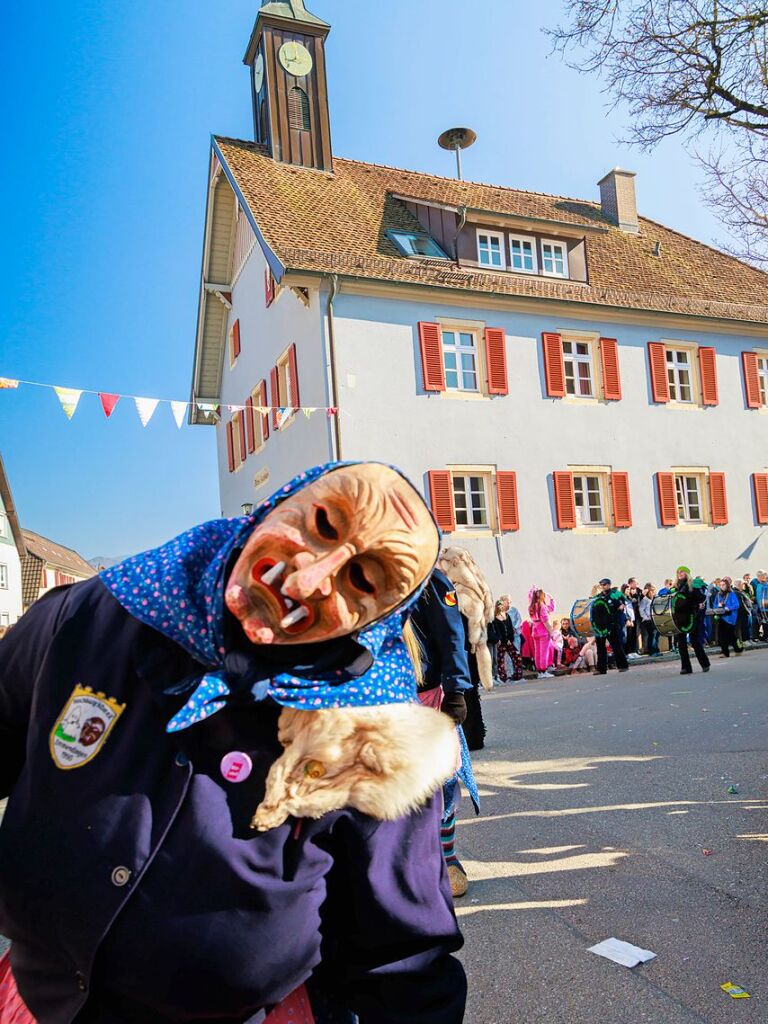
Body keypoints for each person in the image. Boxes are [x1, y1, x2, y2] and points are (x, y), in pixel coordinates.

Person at [0, 462, 467, 1024]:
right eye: (321, 523)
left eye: (363, 581)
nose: (306, 580)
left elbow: (404, 961)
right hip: (39, 999)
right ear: (278, 502)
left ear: (378, 619)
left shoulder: (380, 740)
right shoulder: (90, 614)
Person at [408, 569, 479, 901]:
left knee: (441, 781)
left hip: (427, 697)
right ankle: (409, 861)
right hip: (384, 700)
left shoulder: (429, 580)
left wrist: (456, 690)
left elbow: (452, 635)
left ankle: (447, 857)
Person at [436, 547, 494, 751]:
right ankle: (476, 735)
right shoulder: (479, 587)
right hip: (475, 647)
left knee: (464, 693)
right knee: (471, 694)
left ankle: (471, 737)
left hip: (464, 648)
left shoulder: (458, 593)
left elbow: (454, 623)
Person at [670, 566, 711, 675]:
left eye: (682, 571)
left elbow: (702, 598)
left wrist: (699, 604)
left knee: (694, 641)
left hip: (692, 616)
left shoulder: (693, 585)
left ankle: (705, 663)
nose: (680, 573)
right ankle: (686, 667)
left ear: (687, 573)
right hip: (679, 617)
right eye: (678, 572)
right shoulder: (676, 586)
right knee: (681, 643)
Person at [590, 579, 629, 675]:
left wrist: (621, 606)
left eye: (604, 584)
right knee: (600, 648)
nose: (602, 586)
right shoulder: (599, 597)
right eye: (601, 585)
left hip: (612, 624)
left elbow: (624, 602)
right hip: (600, 626)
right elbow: (592, 604)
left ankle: (623, 666)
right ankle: (601, 669)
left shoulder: (616, 593)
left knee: (616, 645)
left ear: (609, 585)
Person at [486, 598, 522, 683]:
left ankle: (517, 675)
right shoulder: (494, 618)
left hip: (508, 641)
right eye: (499, 606)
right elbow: (497, 630)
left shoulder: (507, 615)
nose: (501, 607)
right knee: (499, 660)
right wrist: (499, 639)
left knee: (516, 657)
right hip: (501, 642)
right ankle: (501, 677)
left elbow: (510, 628)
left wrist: (510, 639)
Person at [528, 587, 556, 679]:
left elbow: (551, 609)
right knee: (544, 652)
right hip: (543, 631)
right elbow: (546, 622)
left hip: (535, 631)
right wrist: (552, 632)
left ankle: (540, 671)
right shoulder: (542, 606)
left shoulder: (532, 606)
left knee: (538, 652)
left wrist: (551, 600)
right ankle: (543, 671)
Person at [713, 578, 742, 657]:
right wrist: (717, 607)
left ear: (727, 585)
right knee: (721, 636)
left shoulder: (731, 594)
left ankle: (739, 649)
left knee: (731, 636)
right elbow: (715, 604)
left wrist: (728, 607)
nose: (722, 586)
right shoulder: (718, 595)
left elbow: (736, 605)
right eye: (720, 585)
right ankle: (725, 652)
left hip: (730, 618)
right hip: (721, 617)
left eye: (723, 585)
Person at [638, 583, 660, 656]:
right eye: (652, 590)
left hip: (655, 619)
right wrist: (646, 617)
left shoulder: (654, 598)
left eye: (654, 590)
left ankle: (656, 650)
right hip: (648, 620)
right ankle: (652, 651)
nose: (654, 591)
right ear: (648, 591)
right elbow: (641, 610)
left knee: (656, 635)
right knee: (652, 635)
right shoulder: (645, 599)